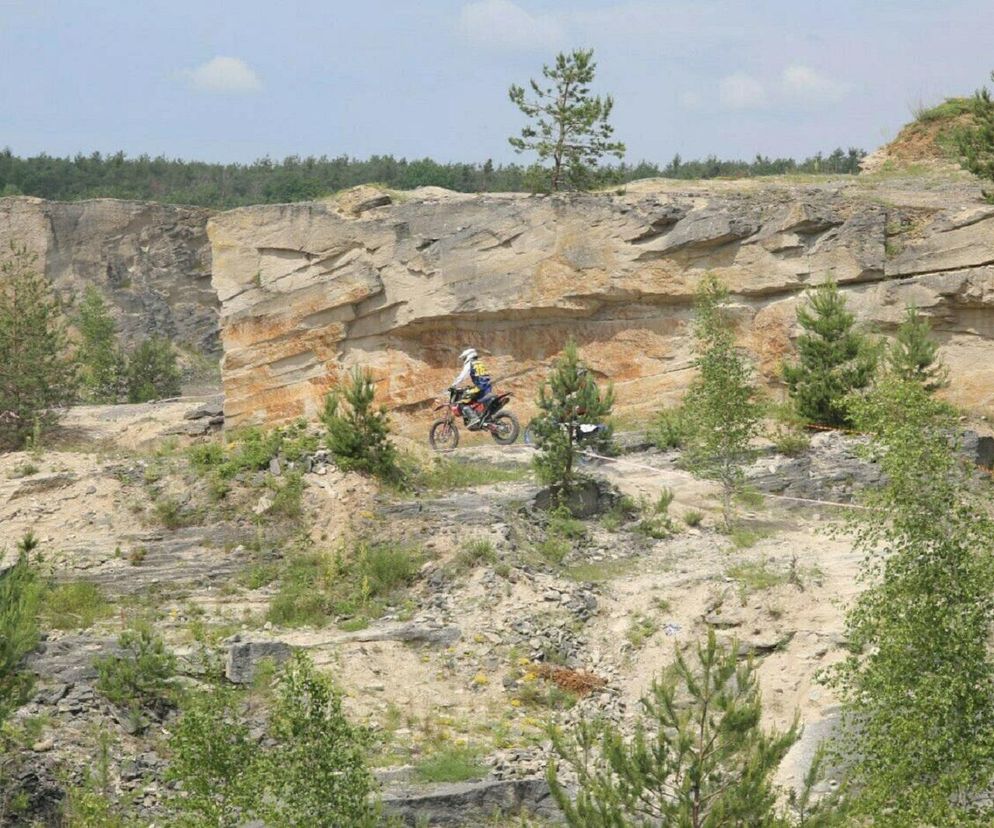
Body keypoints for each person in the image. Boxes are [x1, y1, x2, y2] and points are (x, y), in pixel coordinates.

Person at [449, 348, 494, 428]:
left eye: (464, 358)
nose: (464, 360)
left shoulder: (470, 363)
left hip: (480, 387)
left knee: (462, 400)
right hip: (488, 386)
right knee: (474, 401)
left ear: (468, 356)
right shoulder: (480, 363)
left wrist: (453, 385)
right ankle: (481, 417)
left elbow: (462, 376)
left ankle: (474, 418)